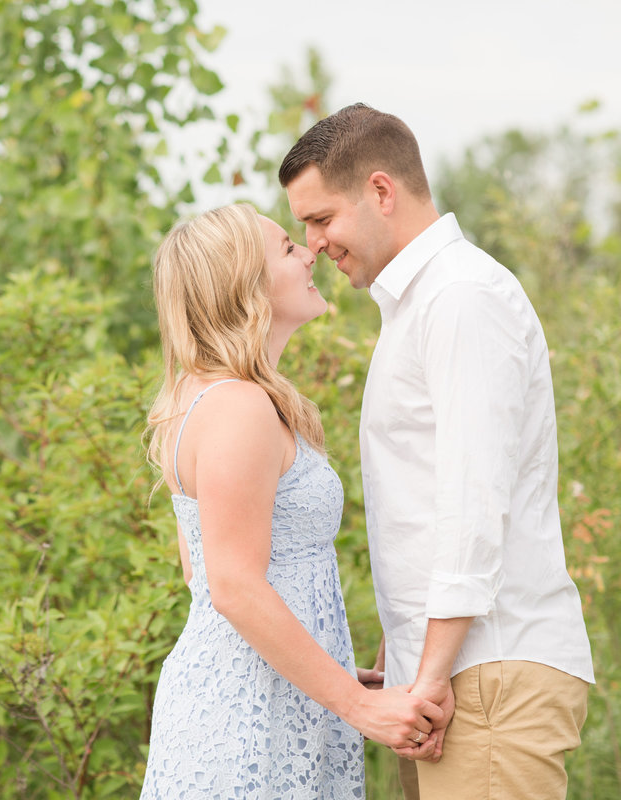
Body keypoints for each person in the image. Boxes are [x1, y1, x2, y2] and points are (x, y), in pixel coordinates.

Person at [279, 103, 595, 800]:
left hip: (487, 673)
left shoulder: (459, 299)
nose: (313, 243)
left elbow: (470, 502)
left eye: (322, 218)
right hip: (448, 673)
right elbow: (422, 506)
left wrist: (427, 675)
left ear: (381, 192)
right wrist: (404, 662)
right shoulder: (418, 307)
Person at [141, 203, 443, 799]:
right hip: (244, 721)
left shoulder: (210, 398)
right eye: (286, 248)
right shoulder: (238, 409)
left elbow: (201, 574)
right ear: (243, 284)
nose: (310, 253)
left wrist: (326, 669)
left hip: (263, 695)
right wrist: (357, 704)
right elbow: (231, 586)